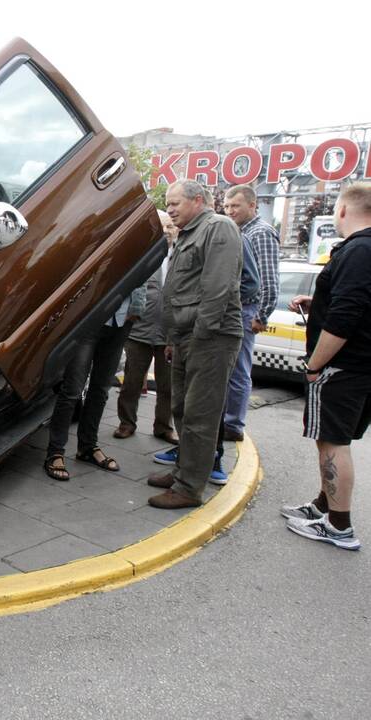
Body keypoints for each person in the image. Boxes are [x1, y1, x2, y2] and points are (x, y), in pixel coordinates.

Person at [282, 182, 371, 550]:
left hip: (343, 368)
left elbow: (346, 315)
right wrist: (316, 299)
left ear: (344, 210)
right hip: (362, 366)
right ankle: (324, 506)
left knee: (332, 442)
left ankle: (338, 525)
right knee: (337, 440)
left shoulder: (358, 249)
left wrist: (315, 364)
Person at [147, 180, 243, 508]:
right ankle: (182, 472)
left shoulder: (219, 228)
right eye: (167, 204)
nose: (170, 209)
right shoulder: (190, 231)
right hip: (187, 336)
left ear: (198, 200)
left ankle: (189, 489)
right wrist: (175, 339)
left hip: (210, 337)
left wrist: (200, 335)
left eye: (175, 203)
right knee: (181, 408)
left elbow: (218, 288)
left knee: (200, 414)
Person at [43, 286, 144, 481]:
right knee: (72, 389)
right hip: (90, 318)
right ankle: (55, 452)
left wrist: (137, 310)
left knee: (100, 389)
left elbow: (144, 274)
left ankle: (87, 447)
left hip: (122, 320)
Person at [114, 211, 179, 444]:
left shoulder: (181, 254)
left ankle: (163, 427)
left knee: (168, 385)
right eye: (162, 227)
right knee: (131, 382)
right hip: (140, 330)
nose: (167, 231)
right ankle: (126, 423)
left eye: (171, 226)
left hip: (169, 332)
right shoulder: (142, 255)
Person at [221, 184, 279, 442]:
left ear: (253, 205)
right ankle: (227, 420)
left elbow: (268, 279)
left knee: (238, 370)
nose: (230, 210)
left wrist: (262, 315)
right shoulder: (239, 231)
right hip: (237, 309)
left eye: (236, 206)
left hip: (247, 310)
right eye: (227, 206)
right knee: (230, 368)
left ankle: (233, 425)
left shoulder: (261, 232)